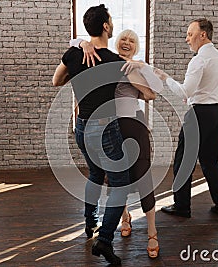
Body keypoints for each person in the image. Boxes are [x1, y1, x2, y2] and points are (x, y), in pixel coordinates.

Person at [52, 5, 154, 265]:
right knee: (120, 185)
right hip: (105, 128)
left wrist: (79, 62)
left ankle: (90, 224)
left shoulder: (74, 54)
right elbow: (149, 94)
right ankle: (105, 240)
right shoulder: (115, 62)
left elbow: (56, 81)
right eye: (111, 21)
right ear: (107, 27)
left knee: (96, 175)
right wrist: (135, 68)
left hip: (82, 127)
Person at [71, 29, 163, 258]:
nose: (127, 43)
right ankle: (124, 217)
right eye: (124, 39)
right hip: (111, 127)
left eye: (132, 40)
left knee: (143, 176)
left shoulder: (135, 66)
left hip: (134, 126)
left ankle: (152, 230)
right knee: (115, 178)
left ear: (136, 46)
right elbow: (72, 43)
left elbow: (154, 93)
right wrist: (83, 43)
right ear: (116, 41)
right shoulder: (109, 60)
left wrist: (140, 68)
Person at [155, 18, 218, 218]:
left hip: (199, 115)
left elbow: (184, 93)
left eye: (190, 34)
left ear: (202, 34)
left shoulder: (199, 60)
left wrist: (165, 78)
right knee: (210, 160)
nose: (187, 39)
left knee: (183, 161)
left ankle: (181, 206)